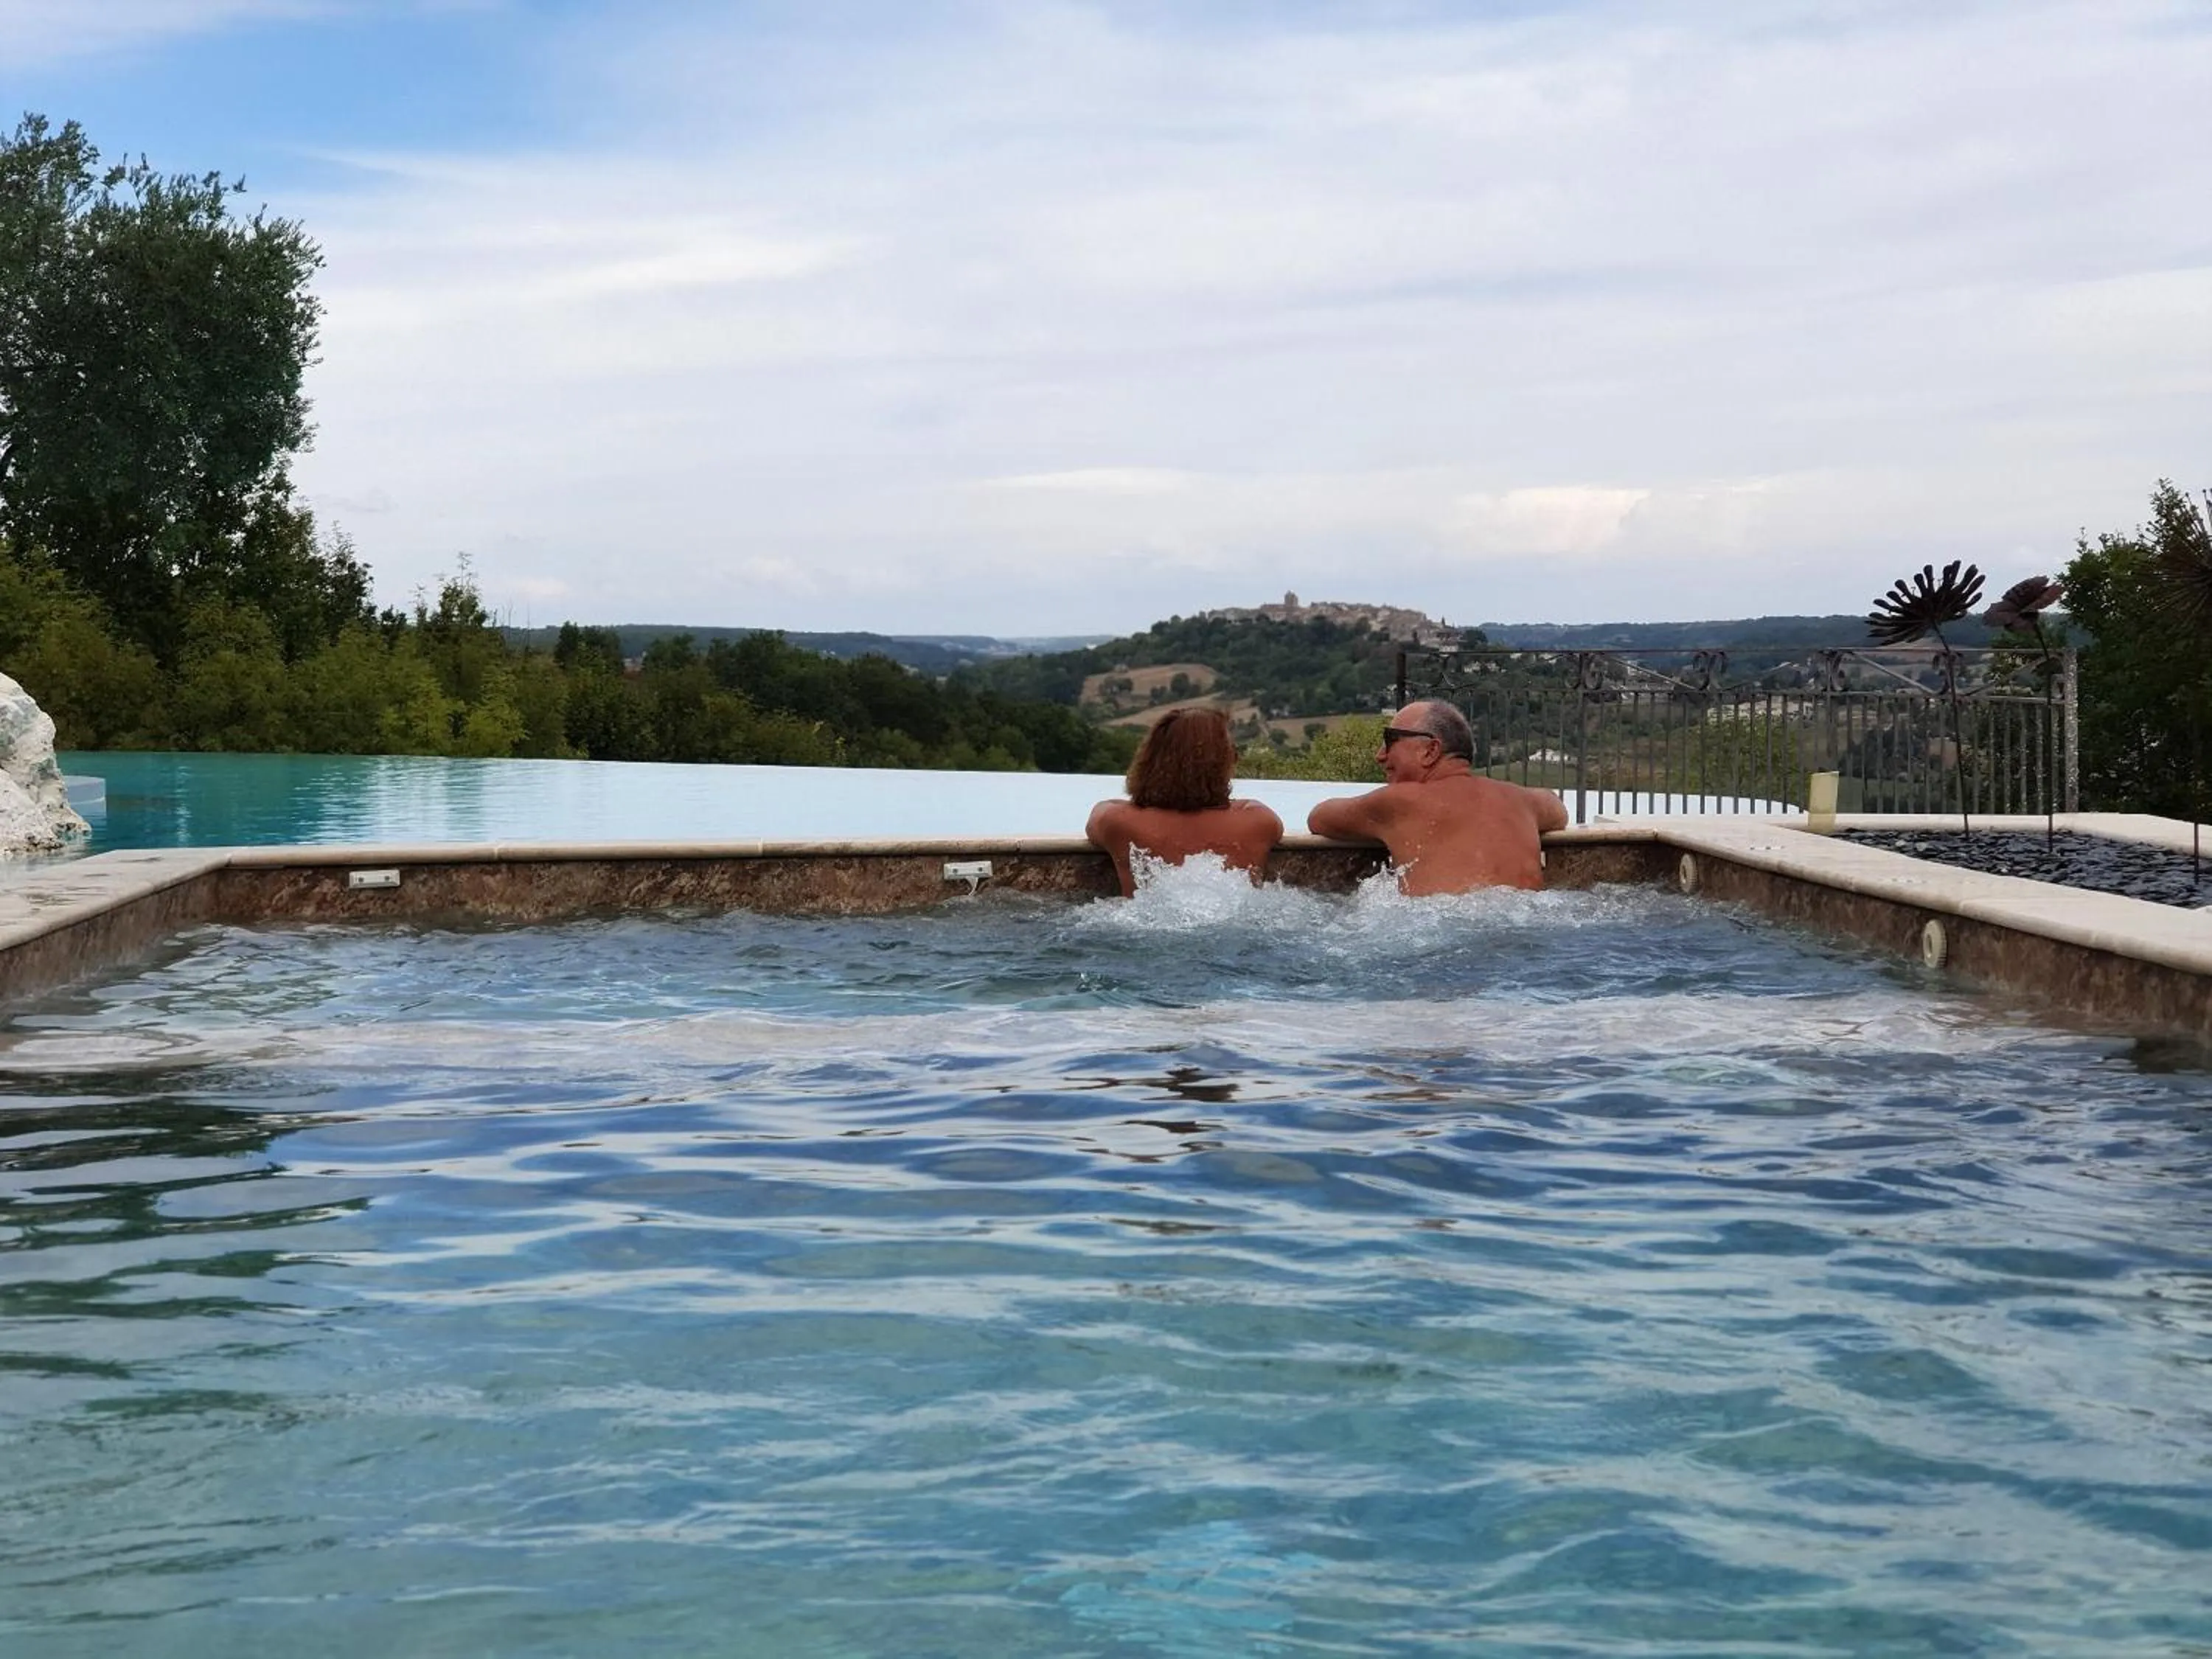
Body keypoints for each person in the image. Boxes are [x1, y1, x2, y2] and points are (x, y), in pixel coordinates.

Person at [1307, 700, 1568, 894]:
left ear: (1430, 751)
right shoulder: (1522, 801)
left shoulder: (1399, 803)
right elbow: (1558, 811)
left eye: (1390, 740)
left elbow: (1319, 818)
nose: (1380, 755)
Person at [1085, 708, 1284, 897]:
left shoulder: (1117, 821)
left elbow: (1102, 814)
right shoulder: (1258, 821)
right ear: (1224, 763)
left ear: (1152, 759)